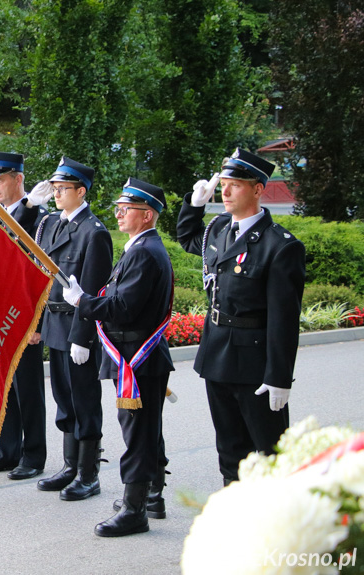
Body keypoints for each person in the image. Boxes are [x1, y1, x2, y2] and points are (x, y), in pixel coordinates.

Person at [177, 149, 305, 485]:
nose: (226, 191)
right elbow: (188, 238)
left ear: (258, 189)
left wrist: (279, 376)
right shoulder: (218, 229)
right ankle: (236, 519)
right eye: (225, 185)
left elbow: (284, 320)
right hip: (218, 354)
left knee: (269, 453)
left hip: (255, 365)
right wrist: (194, 204)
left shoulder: (280, 246)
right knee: (230, 449)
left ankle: (281, 529)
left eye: (235, 185)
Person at [62, 178, 174, 537]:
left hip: (135, 356)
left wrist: (83, 302)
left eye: (127, 209)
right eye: (119, 208)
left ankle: (134, 509)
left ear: (148, 215)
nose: (119, 213)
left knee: (137, 434)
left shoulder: (144, 251)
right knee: (147, 431)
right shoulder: (141, 247)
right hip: (138, 354)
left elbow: (123, 307)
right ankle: (151, 495)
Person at [33, 157, 112, 500]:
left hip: (77, 327)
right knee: (64, 399)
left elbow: (92, 289)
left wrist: (83, 335)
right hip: (54, 323)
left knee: (84, 401)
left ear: (81, 191)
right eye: (55, 188)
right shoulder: (52, 224)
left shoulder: (94, 233)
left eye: (63, 188)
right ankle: (69, 465)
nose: (56, 193)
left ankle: (88, 473)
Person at [0, 150, 48, 480]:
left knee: (28, 389)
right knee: (3, 386)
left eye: (1, 180)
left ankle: (33, 454)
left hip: (24, 315)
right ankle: (8, 450)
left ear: (18, 179)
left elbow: (41, 272)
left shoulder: (37, 216)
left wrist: (38, 322)